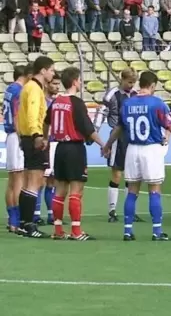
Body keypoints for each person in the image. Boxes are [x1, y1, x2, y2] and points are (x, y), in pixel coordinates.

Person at [104, 71, 171, 241]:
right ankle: (156, 231)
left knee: (132, 190)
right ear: (152, 85)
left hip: (132, 149)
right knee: (154, 190)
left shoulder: (127, 103)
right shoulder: (157, 103)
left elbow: (118, 127)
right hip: (151, 149)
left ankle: (127, 231)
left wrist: (107, 145)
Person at [46, 67, 105, 241]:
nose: (81, 83)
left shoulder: (56, 102)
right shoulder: (76, 103)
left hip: (59, 148)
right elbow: (88, 129)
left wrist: (43, 138)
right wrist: (104, 144)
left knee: (60, 190)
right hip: (74, 148)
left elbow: (46, 121)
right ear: (74, 81)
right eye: (79, 80)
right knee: (76, 189)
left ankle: (57, 230)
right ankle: (76, 231)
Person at [16, 56, 56, 238]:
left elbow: (20, 115)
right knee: (35, 181)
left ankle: (24, 223)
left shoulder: (31, 87)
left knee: (31, 181)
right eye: (52, 70)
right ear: (43, 70)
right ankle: (28, 224)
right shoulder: (34, 89)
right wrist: (37, 135)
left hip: (26, 136)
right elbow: (32, 114)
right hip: (33, 137)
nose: (53, 74)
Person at [94, 68, 138, 223]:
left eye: (133, 82)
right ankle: (112, 210)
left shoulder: (135, 95)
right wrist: (95, 131)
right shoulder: (112, 95)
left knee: (131, 176)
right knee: (117, 174)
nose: (131, 85)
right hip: (117, 137)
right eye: (129, 82)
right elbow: (101, 113)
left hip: (132, 137)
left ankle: (129, 210)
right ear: (122, 79)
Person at [3, 64, 32, 233]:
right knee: (19, 181)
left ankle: (11, 219)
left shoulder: (9, 89)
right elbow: (16, 116)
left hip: (10, 136)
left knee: (12, 181)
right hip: (17, 134)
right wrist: (23, 138)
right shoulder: (20, 91)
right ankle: (16, 222)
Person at [38, 74, 62, 226]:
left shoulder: (57, 102)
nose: (57, 87)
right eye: (54, 84)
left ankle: (51, 214)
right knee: (40, 180)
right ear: (47, 84)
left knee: (52, 181)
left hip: (55, 143)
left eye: (59, 84)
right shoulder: (41, 101)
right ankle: (35, 214)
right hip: (44, 143)